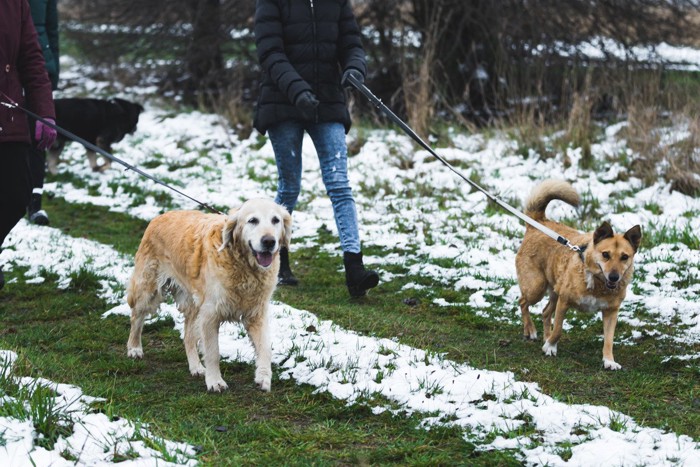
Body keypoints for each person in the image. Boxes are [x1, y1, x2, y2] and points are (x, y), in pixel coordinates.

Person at [254, 0, 379, 298]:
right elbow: (270, 53)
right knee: (289, 187)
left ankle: (354, 269)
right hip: (282, 102)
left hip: (327, 102)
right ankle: (278, 261)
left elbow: (351, 43)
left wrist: (354, 68)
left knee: (339, 184)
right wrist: (297, 90)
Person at [0, 0, 57, 290]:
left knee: (14, 195)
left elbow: (32, 60)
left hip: (7, 118)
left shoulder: (16, 4)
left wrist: (44, 112)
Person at [27, 0, 60, 225]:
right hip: (8, 64)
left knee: (38, 137)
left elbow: (52, 27)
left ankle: (35, 204)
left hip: (38, 67)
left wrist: (53, 67)